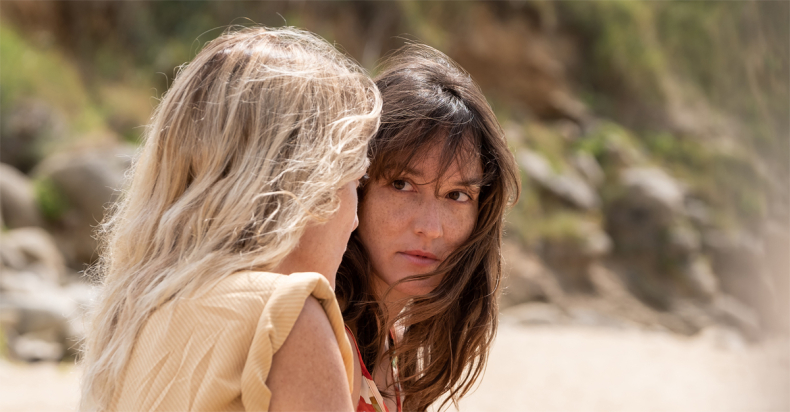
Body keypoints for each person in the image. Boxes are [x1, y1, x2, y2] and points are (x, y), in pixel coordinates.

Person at [79, 27, 381, 412]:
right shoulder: (285, 314)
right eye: (355, 181)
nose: (355, 221)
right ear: (308, 183)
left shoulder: (134, 313)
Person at [336, 44, 521, 412]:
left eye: (456, 195)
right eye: (402, 185)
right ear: (356, 186)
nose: (431, 228)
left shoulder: (397, 348)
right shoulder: (325, 337)